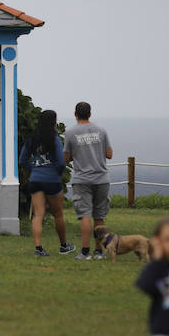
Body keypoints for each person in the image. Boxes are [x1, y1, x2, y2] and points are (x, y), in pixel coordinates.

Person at [62, 101, 113, 260]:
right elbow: (109, 154)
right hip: (102, 178)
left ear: (75, 114)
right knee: (99, 215)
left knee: (85, 215)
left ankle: (85, 252)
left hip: (82, 179)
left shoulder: (70, 133)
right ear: (90, 114)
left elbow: (66, 158)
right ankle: (99, 252)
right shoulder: (101, 130)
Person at [18, 109, 74, 257]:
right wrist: (57, 174)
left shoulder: (32, 138)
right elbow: (61, 162)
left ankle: (38, 248)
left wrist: (34, 170)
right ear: (54, 122)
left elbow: (22, 160)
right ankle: (63, 246)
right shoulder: (54, 138)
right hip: (52, 180)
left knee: (38, 215)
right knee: (58, 215)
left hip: (35, 180)